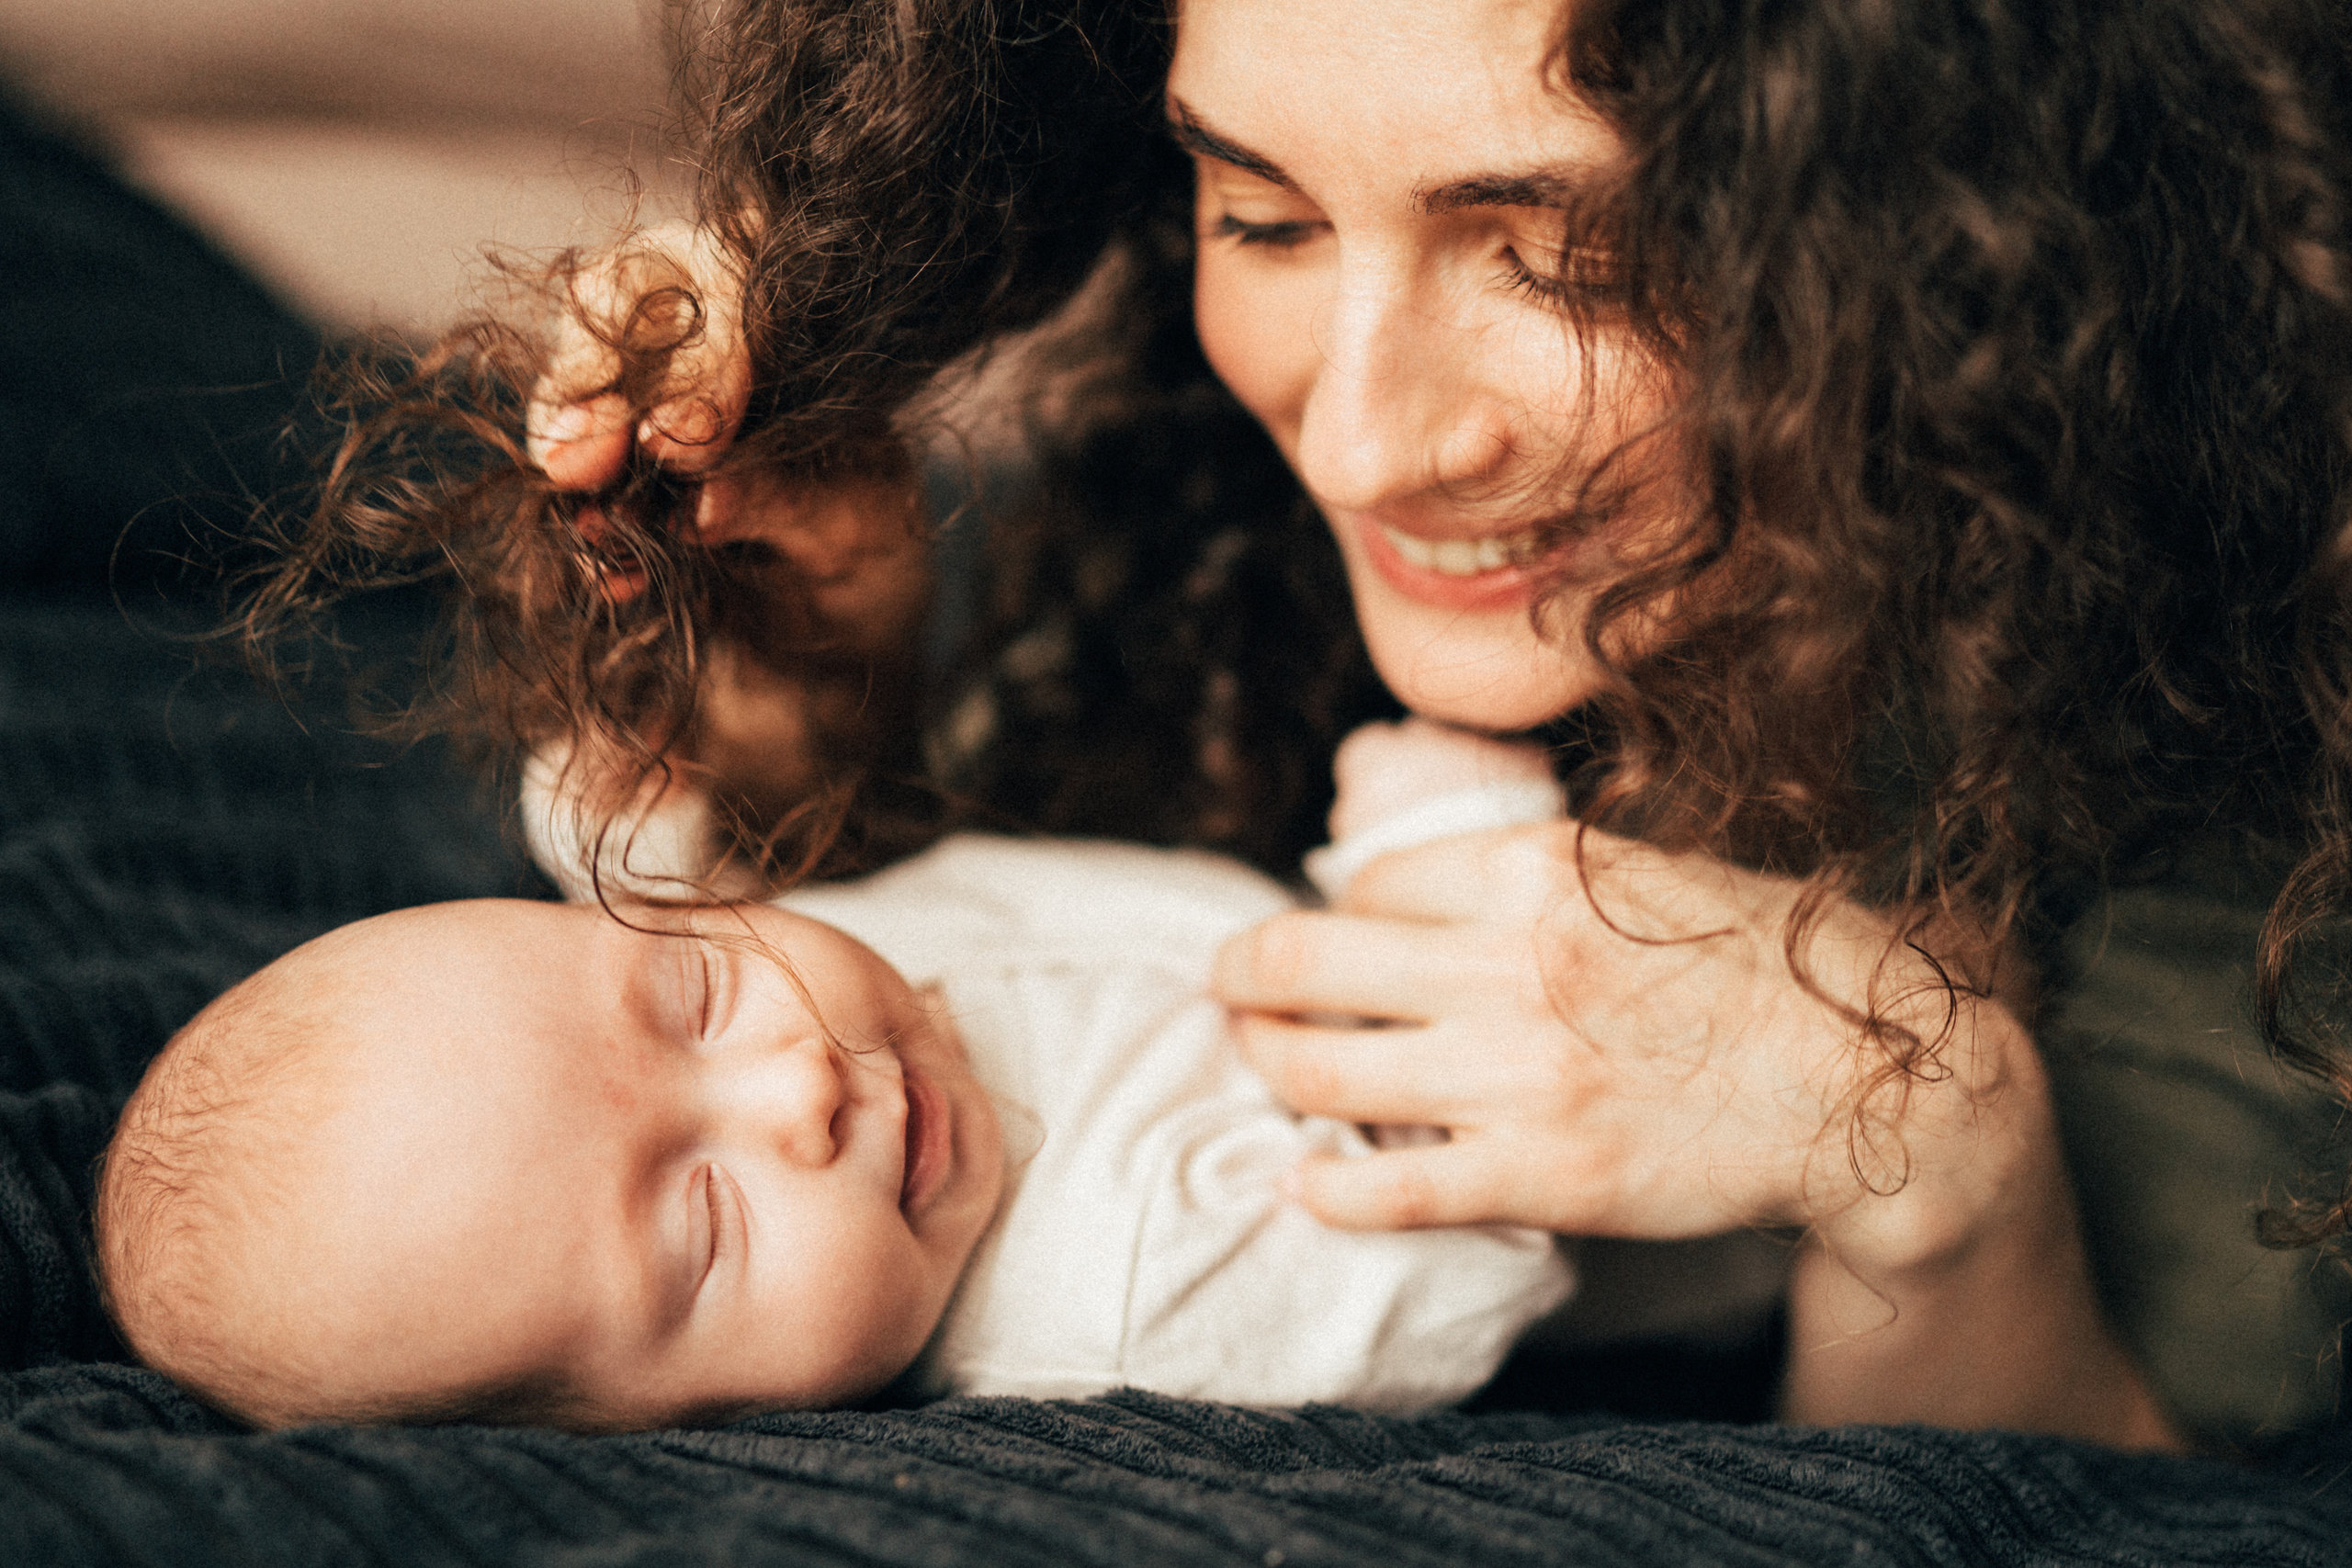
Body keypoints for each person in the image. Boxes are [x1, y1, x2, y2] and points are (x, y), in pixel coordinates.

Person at [245, 0, 2352, 1450]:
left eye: (1580, 261)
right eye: (1256, 214)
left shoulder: (2243, 745)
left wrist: (1935, 1150)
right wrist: (809, 633)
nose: (1355, 437)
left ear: (1981, 258)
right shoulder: (1203, 529)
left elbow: (2158, 1485)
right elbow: (992, 944)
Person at [92, 719, 1576, 1431]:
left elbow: (623, 948)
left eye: (692, 990)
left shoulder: (788, 992)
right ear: (673, 1433)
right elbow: (1485, 1242)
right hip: (1605, 1069)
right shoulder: (1127, 1309)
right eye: (708, 1231)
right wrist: (1446, 861)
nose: (795, 1090)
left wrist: (635, 835)